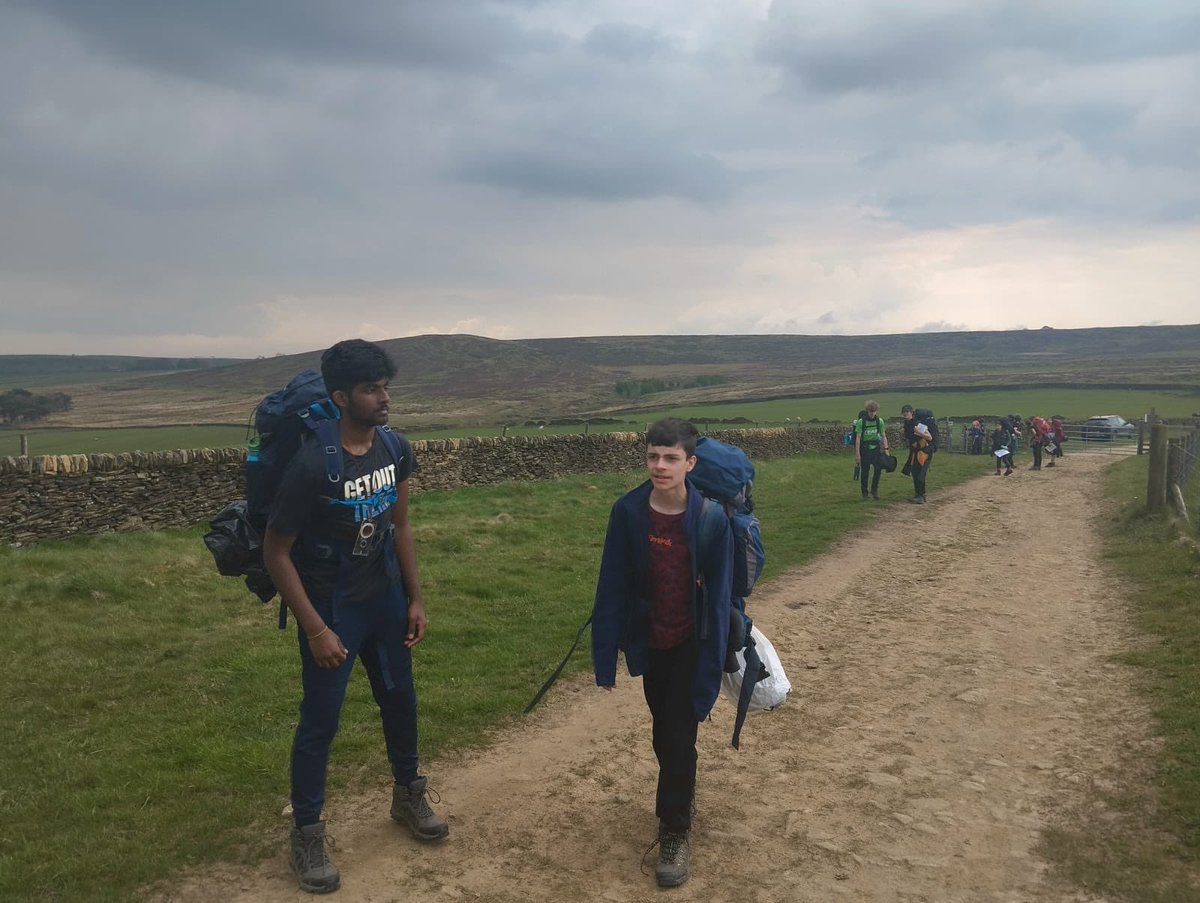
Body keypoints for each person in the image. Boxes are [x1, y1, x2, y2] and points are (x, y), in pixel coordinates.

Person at [263, 339, 448, 895]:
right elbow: (276, 553)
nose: (384, 397)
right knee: (320, 721)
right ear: (341, 396)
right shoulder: (311, 463)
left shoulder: (394, 448)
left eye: (386, 385)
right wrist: (316, 628)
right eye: (371, 389)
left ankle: (408, 794)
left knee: (400, 700)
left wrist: (414, 598)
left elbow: (401, 527)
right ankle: (308, 832)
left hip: (384, 600)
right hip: (332, 606)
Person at [591, 417, 733, 889]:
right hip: (652, 641)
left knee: (676, 736)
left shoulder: (711, 518)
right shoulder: (628, 512)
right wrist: (605, 653)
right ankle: (682, 791)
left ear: (690, 463)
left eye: (671, 457)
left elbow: (719, 599)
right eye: (653, 455)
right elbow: (612, 583)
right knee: (664, 735)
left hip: (693, 643)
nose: (660, 465)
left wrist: (712, 667)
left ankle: (674, 830)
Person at [853, 400, 891, 500]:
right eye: (870, 411)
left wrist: (886, 449)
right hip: (865, 449)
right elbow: (858, 439)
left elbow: (883, 436)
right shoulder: (861, 422)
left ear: (876, 411)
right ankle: (865, 493)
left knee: (878, 470)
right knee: (865, 472)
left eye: (874, 411)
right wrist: (857, 455)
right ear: (867, 411)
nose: (872, 413)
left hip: (876, 449)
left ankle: (874, 491)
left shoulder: (880, 421)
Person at [901, 404, 933, 503]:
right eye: (904, 413)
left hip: (923, 451)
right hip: (914, 451)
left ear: (912, 413)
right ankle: (920, 495)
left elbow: (929, 437)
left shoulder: (917, 423)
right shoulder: (906, 424)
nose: (906, 415)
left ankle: (920, 495)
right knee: (915, 472)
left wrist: (919, 432)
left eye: (907, 413)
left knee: (919, 473)